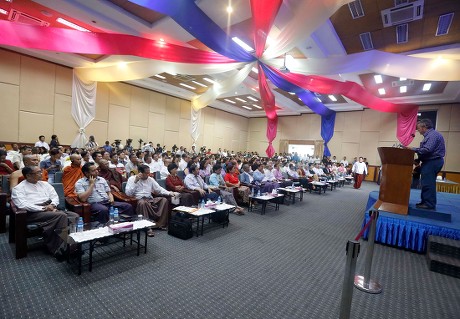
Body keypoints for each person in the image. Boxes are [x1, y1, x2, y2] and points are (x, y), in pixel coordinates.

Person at [11, 166, 79, 260]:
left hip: (51, 208)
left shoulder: (45, 184)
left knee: (74, 216)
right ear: (28, 175)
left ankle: (72, 245)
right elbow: (22, 205)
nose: (41, 174)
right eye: (38, 172)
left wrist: (53, 206)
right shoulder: (18, 188)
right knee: (61, 216)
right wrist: (44, 208)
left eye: (41, 172)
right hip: (33, 213)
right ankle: (58, 249)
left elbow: (55, 197)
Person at [403, 119, 445, 209]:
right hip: (431, 161)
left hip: (433, 161)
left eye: (418, 128)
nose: (418, 131)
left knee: (428, 183)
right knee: (427, 182)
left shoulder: (432, 135)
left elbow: (427, 150)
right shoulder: (430, 135)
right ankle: (425, 202)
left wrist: (412, 149)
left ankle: (429, 204)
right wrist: (418, 159)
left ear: (424, 127)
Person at [125, 165, 178, 232]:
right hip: (139, 200)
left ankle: (160, 224)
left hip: (150, 199)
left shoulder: (150, 179)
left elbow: (159, 189)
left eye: (149, 173)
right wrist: (135, 182)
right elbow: (128, 193)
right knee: (143, 203)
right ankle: (147, 227)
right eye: (147, 173)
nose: (149, 175)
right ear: (140, 173)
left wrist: (169, 193)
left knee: (164, 200)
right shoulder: (132, 179)